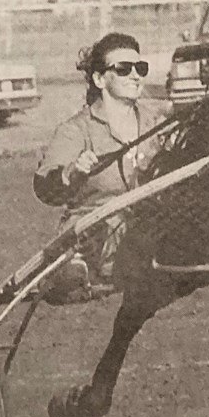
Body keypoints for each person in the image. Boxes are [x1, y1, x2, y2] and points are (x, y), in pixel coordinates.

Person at [33, 32, 164, 304]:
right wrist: (71, 172)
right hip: (90, 239)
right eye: (123, 69)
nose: (135, 76)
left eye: (140, 68)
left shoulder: (155, 124)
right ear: (100, 79)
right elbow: (46, 189)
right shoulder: (76, 130)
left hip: (144, 231)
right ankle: (68, 273)